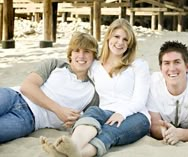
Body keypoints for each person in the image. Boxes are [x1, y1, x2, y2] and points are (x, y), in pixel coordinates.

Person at [40, 18, 151, 157]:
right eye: (117, 36)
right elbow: (76, 67)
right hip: (105, 112)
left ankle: (71, 153)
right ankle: (72, 147)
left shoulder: (138, 65)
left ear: (130, 44)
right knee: (92, 112)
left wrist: (122, 113)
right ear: (108, 37)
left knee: (109, 130)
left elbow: (140, 100)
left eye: (125, 39)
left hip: (136, 115)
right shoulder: (95, 66)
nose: (120, 42)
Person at [0, 32, 99, 143]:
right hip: (13, 96)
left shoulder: (92, 92)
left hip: (29, 119)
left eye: (86, 51)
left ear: (94, 57)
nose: (81, 56)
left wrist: (74, 120)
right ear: (70, 54)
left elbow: (88, 120)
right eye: (77, 50)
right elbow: (27, 87)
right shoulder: (55, 65)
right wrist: (58, 110)